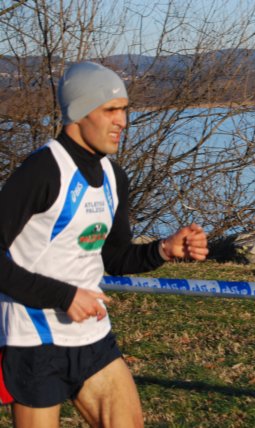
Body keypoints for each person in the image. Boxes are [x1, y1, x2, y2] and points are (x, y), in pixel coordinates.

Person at [0, 61, 209, 427]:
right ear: (80, 112)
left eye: (124, 109)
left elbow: (115, 256)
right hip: (35, 341)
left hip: (92, 337)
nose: (122, 121)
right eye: (111, 110)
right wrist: (65, 296)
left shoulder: (114, 177)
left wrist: (164, 249)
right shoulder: (42, 172)